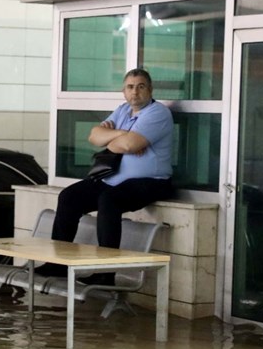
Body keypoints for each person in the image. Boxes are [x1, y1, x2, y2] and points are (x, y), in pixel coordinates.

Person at [39, 68, 174, 281]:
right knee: (69, 196)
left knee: (109, 200)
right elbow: (94, 136)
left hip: (152, 181)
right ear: (123, 91)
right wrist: (122, 134)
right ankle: (58, 264)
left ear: (150, 90)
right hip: (113, 178)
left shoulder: (158, 113)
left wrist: (117, 138)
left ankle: (105, 273)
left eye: (141, 86)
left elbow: (130, 145)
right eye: (130, 87)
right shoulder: (122, 110)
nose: (135, 92)